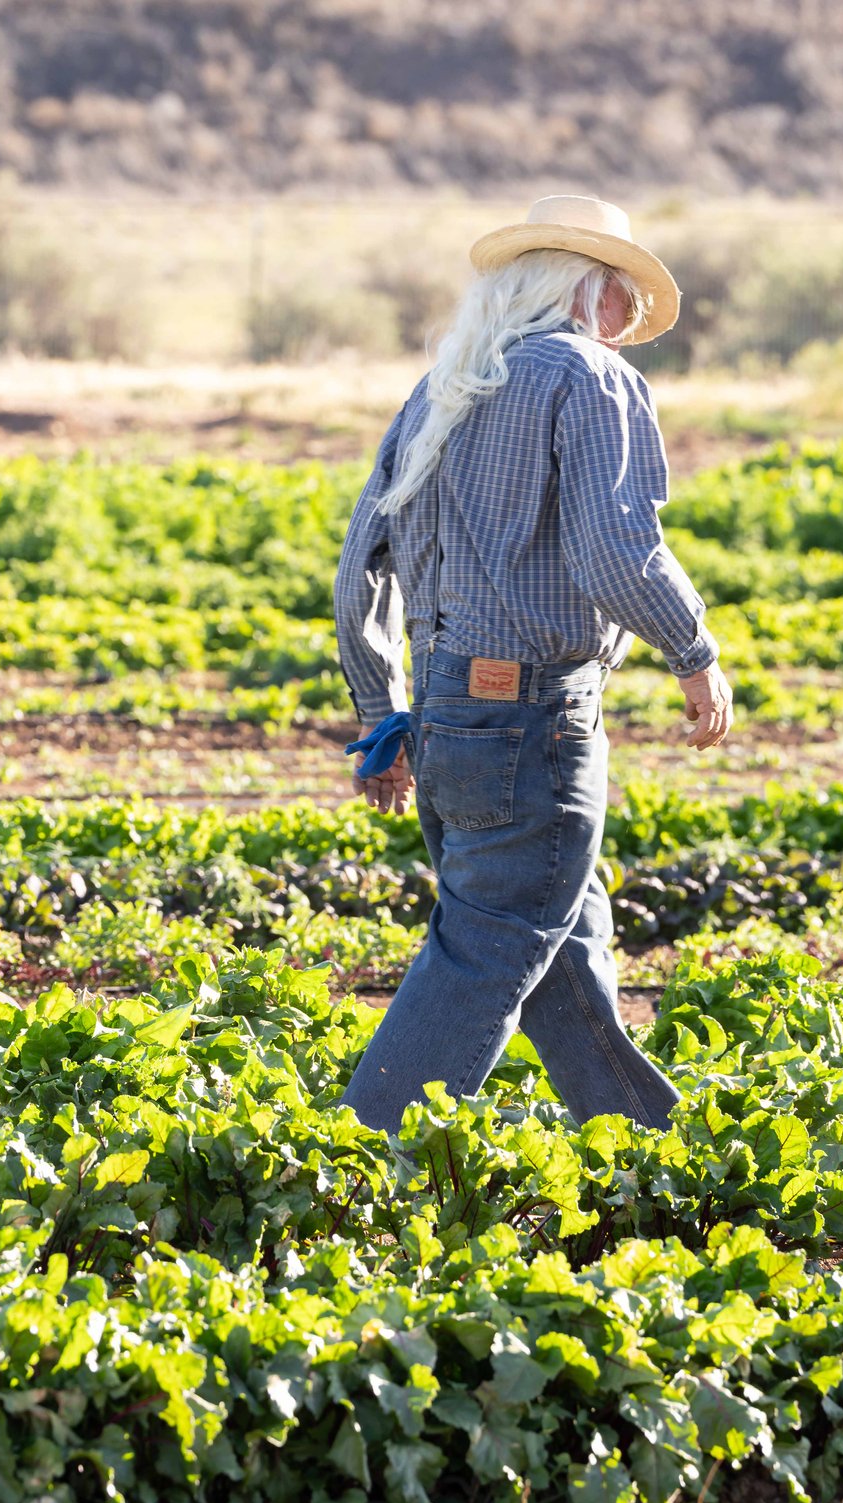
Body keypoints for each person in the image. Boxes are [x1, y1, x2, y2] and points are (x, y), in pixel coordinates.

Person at [332, 195, 733, 1135]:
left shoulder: (445, 385)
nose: (628, 324)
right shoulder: (590, 379)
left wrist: (379, 713)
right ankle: (357, 1156)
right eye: (622, 299)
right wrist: (695, 652)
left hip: (446, 716)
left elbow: (361, 567)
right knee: (485, 949)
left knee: (556, 943)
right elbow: (618, 549)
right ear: (587, 288)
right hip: (533, 723)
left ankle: (649, 1137)